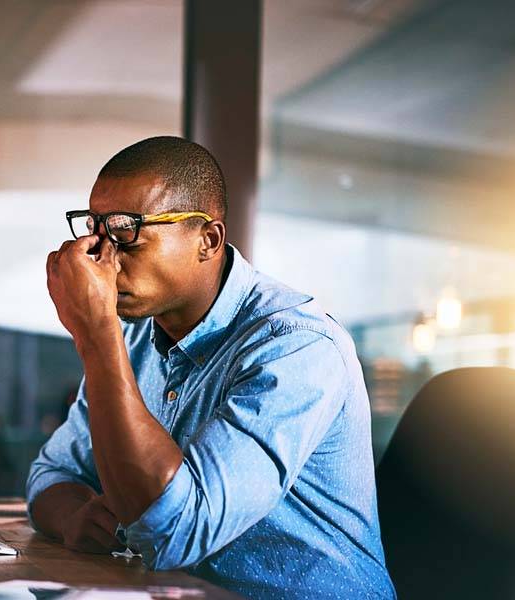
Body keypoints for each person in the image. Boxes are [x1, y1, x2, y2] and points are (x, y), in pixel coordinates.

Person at [28, 136, 395, 599]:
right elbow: (52, 473)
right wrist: (75, 517)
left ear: (208, 240)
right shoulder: (137, 337)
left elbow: (175, 529)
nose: (103, 259)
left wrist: (95, 333)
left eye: (126, 232)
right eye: (96, 231)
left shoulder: (299, 348)